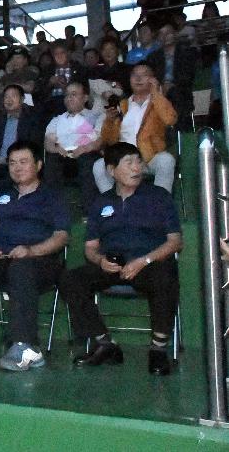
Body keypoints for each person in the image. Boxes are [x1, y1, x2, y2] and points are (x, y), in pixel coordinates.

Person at [61, 143, 183, 376]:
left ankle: (158, 349)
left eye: (138, 161)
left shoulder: (158, 197)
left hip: (148, 264)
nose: (136, 167)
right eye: (129, 162)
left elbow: (175, 241)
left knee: (166, 276)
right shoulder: (101, 202)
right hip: (112, 264)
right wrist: (100, 261)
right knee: (71, 279)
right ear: (111, 170)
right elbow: (90, 248)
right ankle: (105, 343)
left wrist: (144, 261)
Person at [0, 140, 70, 372]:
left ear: (38, 165)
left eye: (24, 162)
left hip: (41, 261)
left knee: (21, 267)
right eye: (12, 163)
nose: (17, 168)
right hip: (4, 257)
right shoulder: (1, 197)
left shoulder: (52, 197)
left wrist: (31, 251)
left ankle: (25, 346)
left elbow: (61, 237)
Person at [93, 63, 177, 194]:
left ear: (152, 79)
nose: (138, 79)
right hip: (124, 158)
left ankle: (161, 204)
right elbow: (109, 140)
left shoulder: (158, 102)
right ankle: (114, 205)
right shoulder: (123, 105)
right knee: (99, 166)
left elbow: (170, 119)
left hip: (149, 158)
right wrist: (109, 121)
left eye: (144, 75)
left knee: (166, 160)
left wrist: (156, 92)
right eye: (134, 75)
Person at [44, 81, 103, 209]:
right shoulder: (57, 119)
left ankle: (89, 209)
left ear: (85, 98)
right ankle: (54, 209)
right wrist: (56, 149)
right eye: (67, 95)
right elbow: (48, 142)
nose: (69, 98)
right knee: (52, 161)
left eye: (74, 94)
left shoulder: (96, 116)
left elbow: (99, 140)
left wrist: (85, 148)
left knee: (89, 161)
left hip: (86, 152)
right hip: (62, 154)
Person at [0, 85, 44, 193]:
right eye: (6, 97)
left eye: (13, 96)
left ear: (22, 99)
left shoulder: (32, 119)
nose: (9, 100)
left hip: (21, 162)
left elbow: (34, 145)